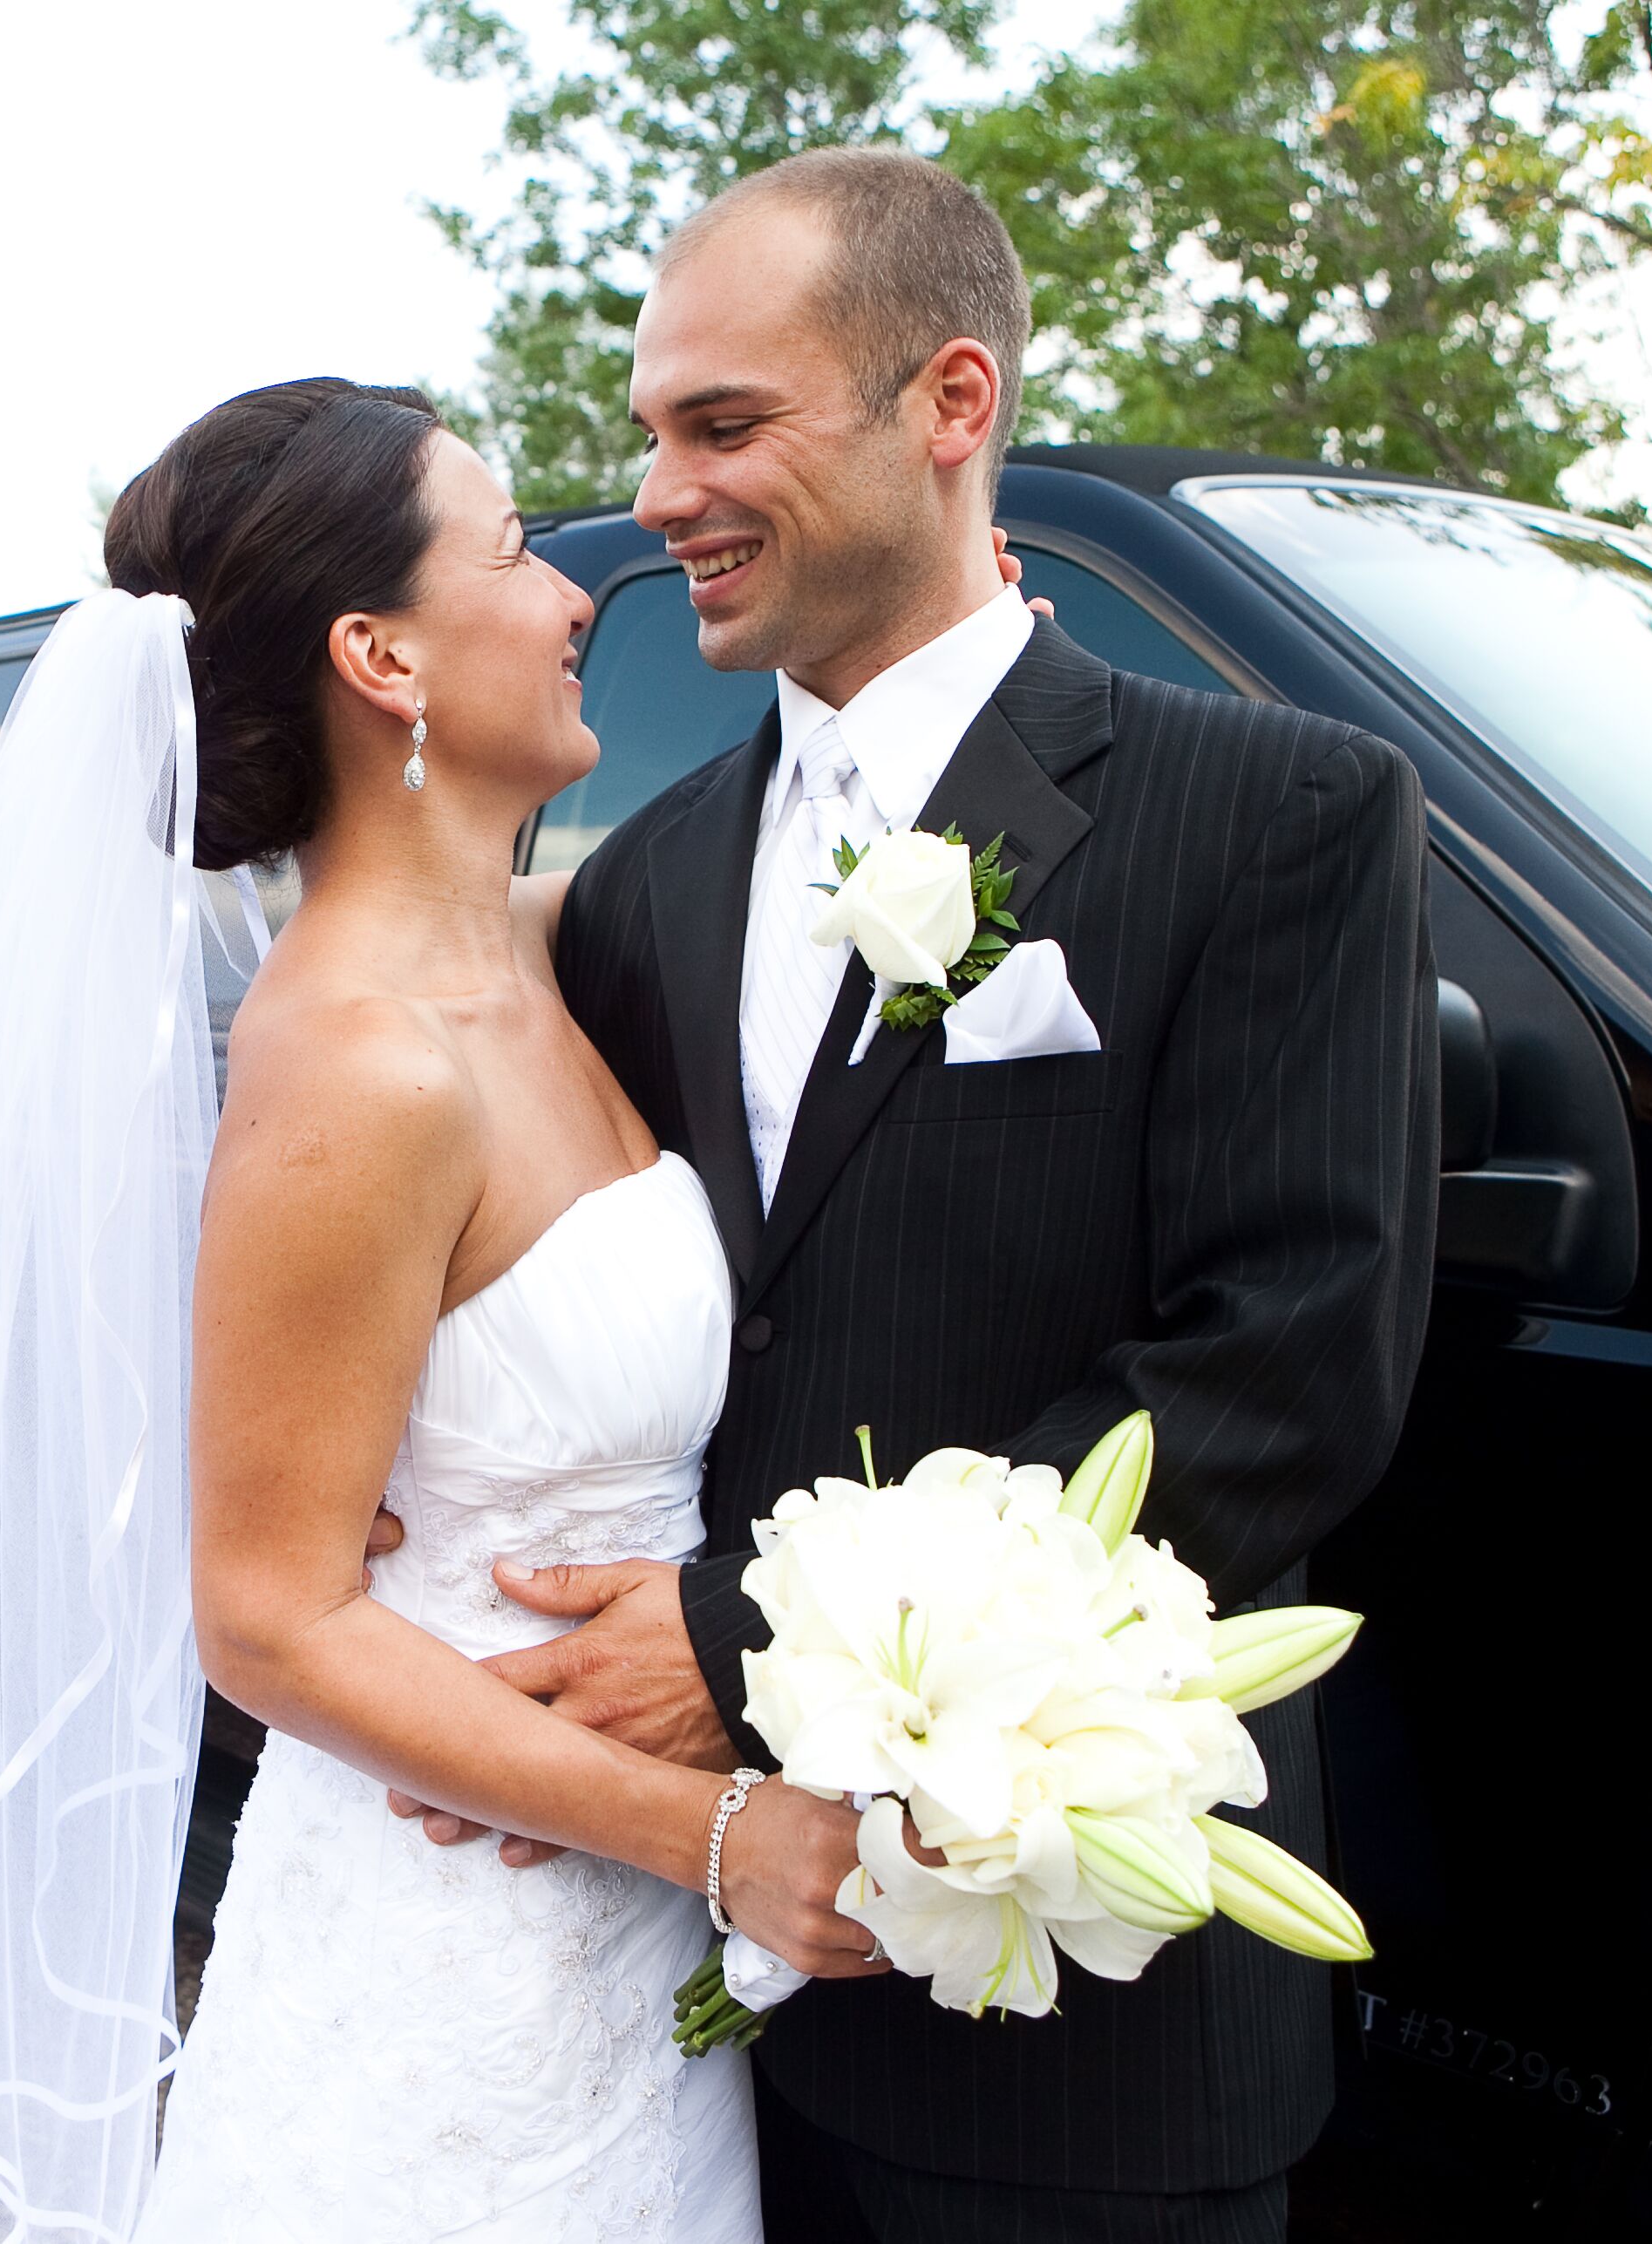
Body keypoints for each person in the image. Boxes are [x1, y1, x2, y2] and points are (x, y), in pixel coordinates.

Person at [0, 376, 979, 2241]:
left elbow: (765, 882)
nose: (574, 592)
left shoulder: (522, 959)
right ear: (381, 654)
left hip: (616, 1961)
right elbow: (265, 1623)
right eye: (513, 549)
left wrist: (957, 677)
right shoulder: (360, 1063)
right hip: (457, 1966)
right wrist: (718, 1838)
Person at [387, 148, 1442, 2242]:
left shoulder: (1278, 814)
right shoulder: (650, 881)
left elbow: (1273, 1381)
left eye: (723, 423)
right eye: (645, 435)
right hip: (683, 1992)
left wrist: (744, 1633)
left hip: (1078, 2020)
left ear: (948, 405)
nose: (659, 493)